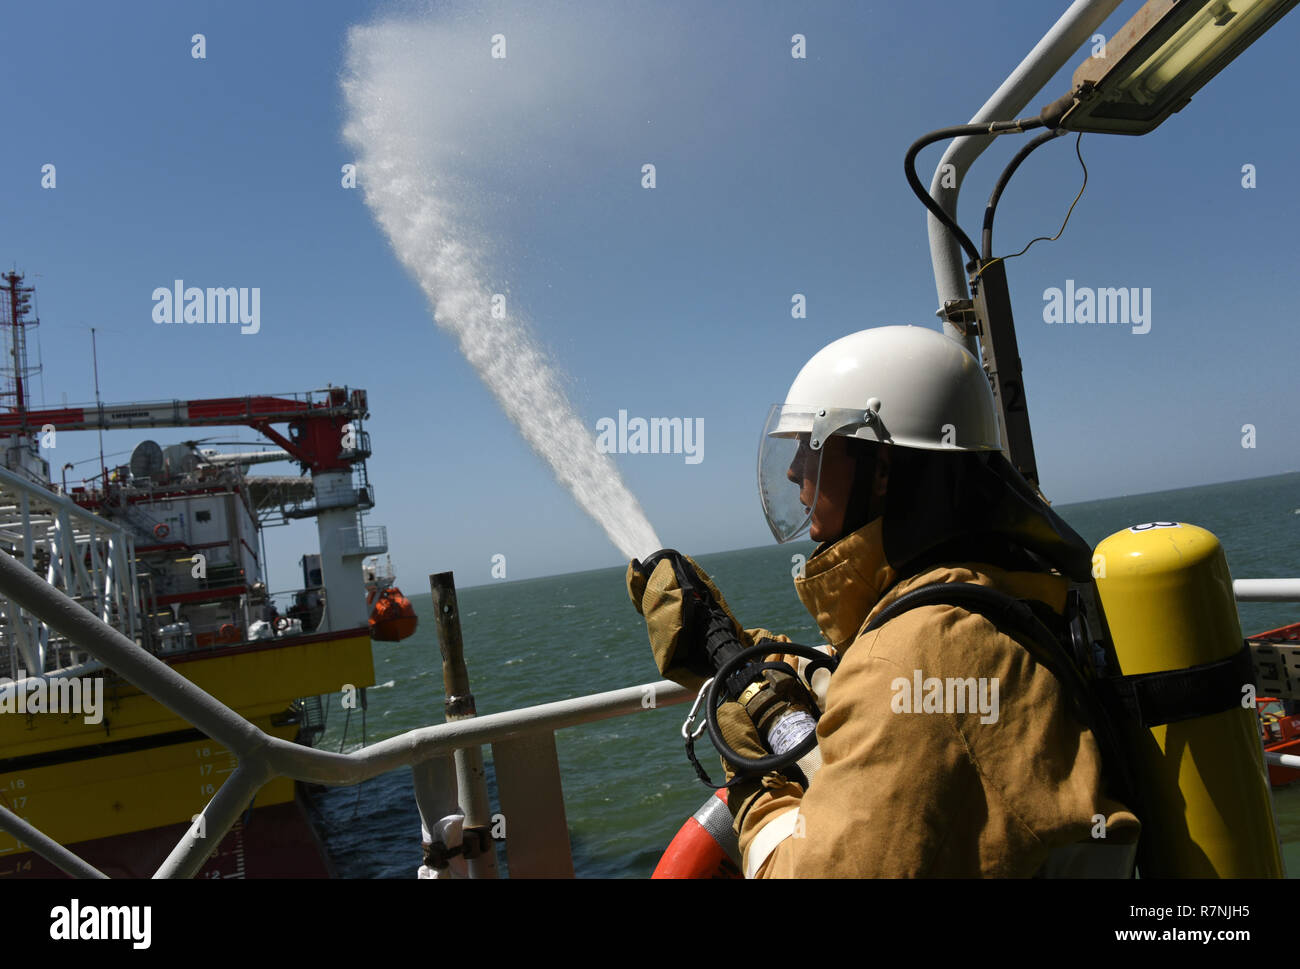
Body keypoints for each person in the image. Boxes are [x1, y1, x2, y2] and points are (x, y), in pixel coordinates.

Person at [629, 325, 1139, 877]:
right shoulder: (1001, 589)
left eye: (814, 446)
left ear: (883, 471)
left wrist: (756, 778)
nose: (797, 469)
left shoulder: (915, 652)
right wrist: (747, 657)